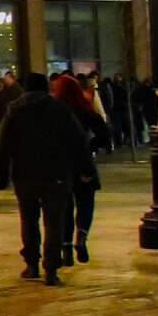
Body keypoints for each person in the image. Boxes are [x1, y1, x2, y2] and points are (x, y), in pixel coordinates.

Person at [0, 71, 95, 286]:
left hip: (25, 173)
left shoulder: (14, 110)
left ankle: (31, 264)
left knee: (28, 219)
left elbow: (3, 144)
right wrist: (87, 168)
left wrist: (1, 175)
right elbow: (78, 140)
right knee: (54, 220)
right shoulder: (59, 108)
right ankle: (51, 268)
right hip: (56, 173)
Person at [54, 72, 107, 265]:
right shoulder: (84, 109)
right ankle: (82, 236)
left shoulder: (55, 112)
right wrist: (91, 146)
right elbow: (104, 133)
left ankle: (66, 248)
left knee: (65, 207)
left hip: (61, 165)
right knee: (86, 202)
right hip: (83, 163)